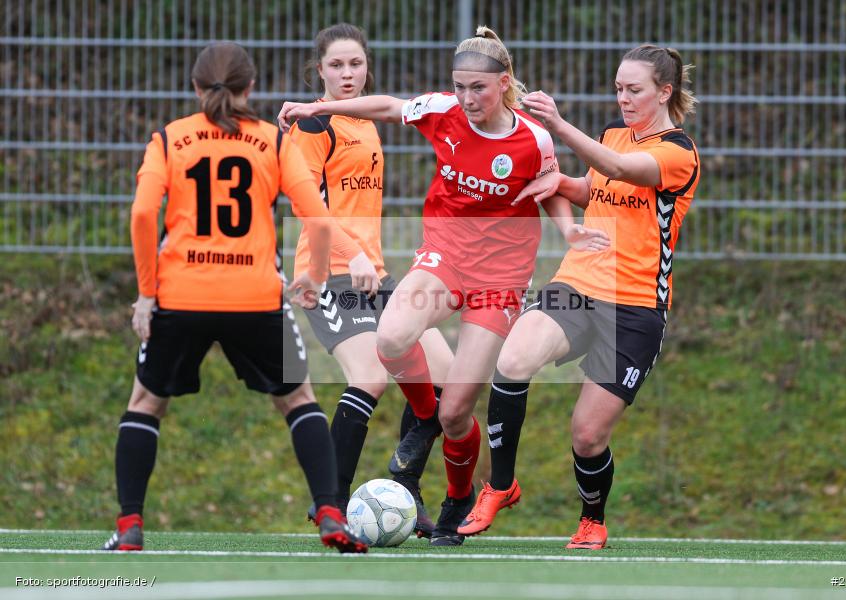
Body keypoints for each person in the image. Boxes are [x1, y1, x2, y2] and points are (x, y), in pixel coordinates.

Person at [279, 27, 608, 546]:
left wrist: (568, 230)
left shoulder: (532, 138)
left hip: (500, 279)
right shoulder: (441, 112)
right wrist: (313, 107)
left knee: (457, 412)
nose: (467, 99)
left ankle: (457, 497)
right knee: (391, 340)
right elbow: (389, 107)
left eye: (478, 88)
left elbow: (550, 186)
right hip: (444, 257)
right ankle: (387, 459)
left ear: (504, 84)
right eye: (459, 87)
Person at [103, 42, 366, 554]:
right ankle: (331, 513)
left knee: (146, 402)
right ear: (251, 88)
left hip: (181, 295)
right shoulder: (272, 141)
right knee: (298, 399)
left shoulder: (170, 138)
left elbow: (141, 216)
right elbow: (316, 215)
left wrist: (145, 294)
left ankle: (130, 525)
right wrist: (312, 277)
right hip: (255, 295)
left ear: (197, 89)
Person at [457, 45, 701, 550]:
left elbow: (624, 169)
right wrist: (557, 181)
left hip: (635, 307)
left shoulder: (678, 152)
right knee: (515, 356)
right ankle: (500, 485)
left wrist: (559, 127)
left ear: (664, 92)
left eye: (634, 90)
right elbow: (598, 188)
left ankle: (593, 518)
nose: (624, 98)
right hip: (580, 284)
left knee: (587, 436)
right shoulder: (614, 133)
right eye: (618, 88)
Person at [288, 23, 454, 537]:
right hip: (327, 274)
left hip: (374, 275)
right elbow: (307, 206)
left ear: (367, 69)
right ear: (319, 71)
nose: (346, 74)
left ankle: (406, 484)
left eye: (355, 64)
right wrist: (352, 254)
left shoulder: (365, 122)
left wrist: (368, 260)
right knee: (370, 377)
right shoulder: (313, 127)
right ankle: (330, 503)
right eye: (336, 65)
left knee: (449, 383)